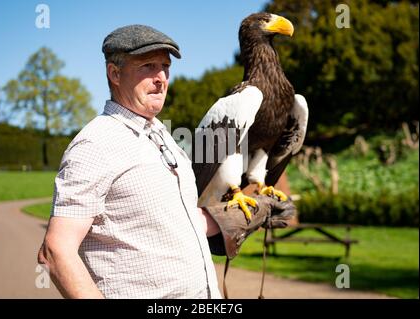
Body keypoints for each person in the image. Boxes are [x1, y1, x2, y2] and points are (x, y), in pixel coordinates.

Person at [37, 24, 294, 299]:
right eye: (147, 66)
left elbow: (171, 218)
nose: (160, 77)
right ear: (114, 73)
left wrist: (231, 219)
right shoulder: (95, 144)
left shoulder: (163, 137)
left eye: (165, 66)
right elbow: (55, 251)